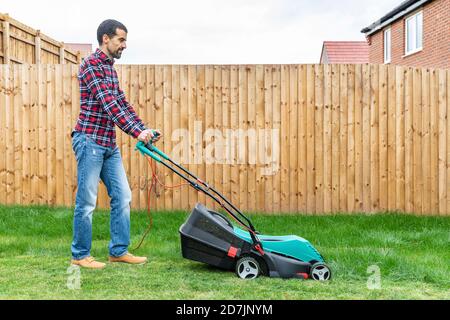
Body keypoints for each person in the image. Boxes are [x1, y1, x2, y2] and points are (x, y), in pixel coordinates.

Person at [70, 19, 161, 269]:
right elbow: (109, 106)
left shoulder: (110, 68)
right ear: (106, 39)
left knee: (122, 197)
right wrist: (135, 133)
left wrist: (143, 129)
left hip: (108, 144)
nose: (125, 45)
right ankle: (79, 256)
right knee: (87, 201)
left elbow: (121, 102)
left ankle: (118, 251)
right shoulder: (91, 65)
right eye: (121, 40)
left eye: (125, 40)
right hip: (89, 141)